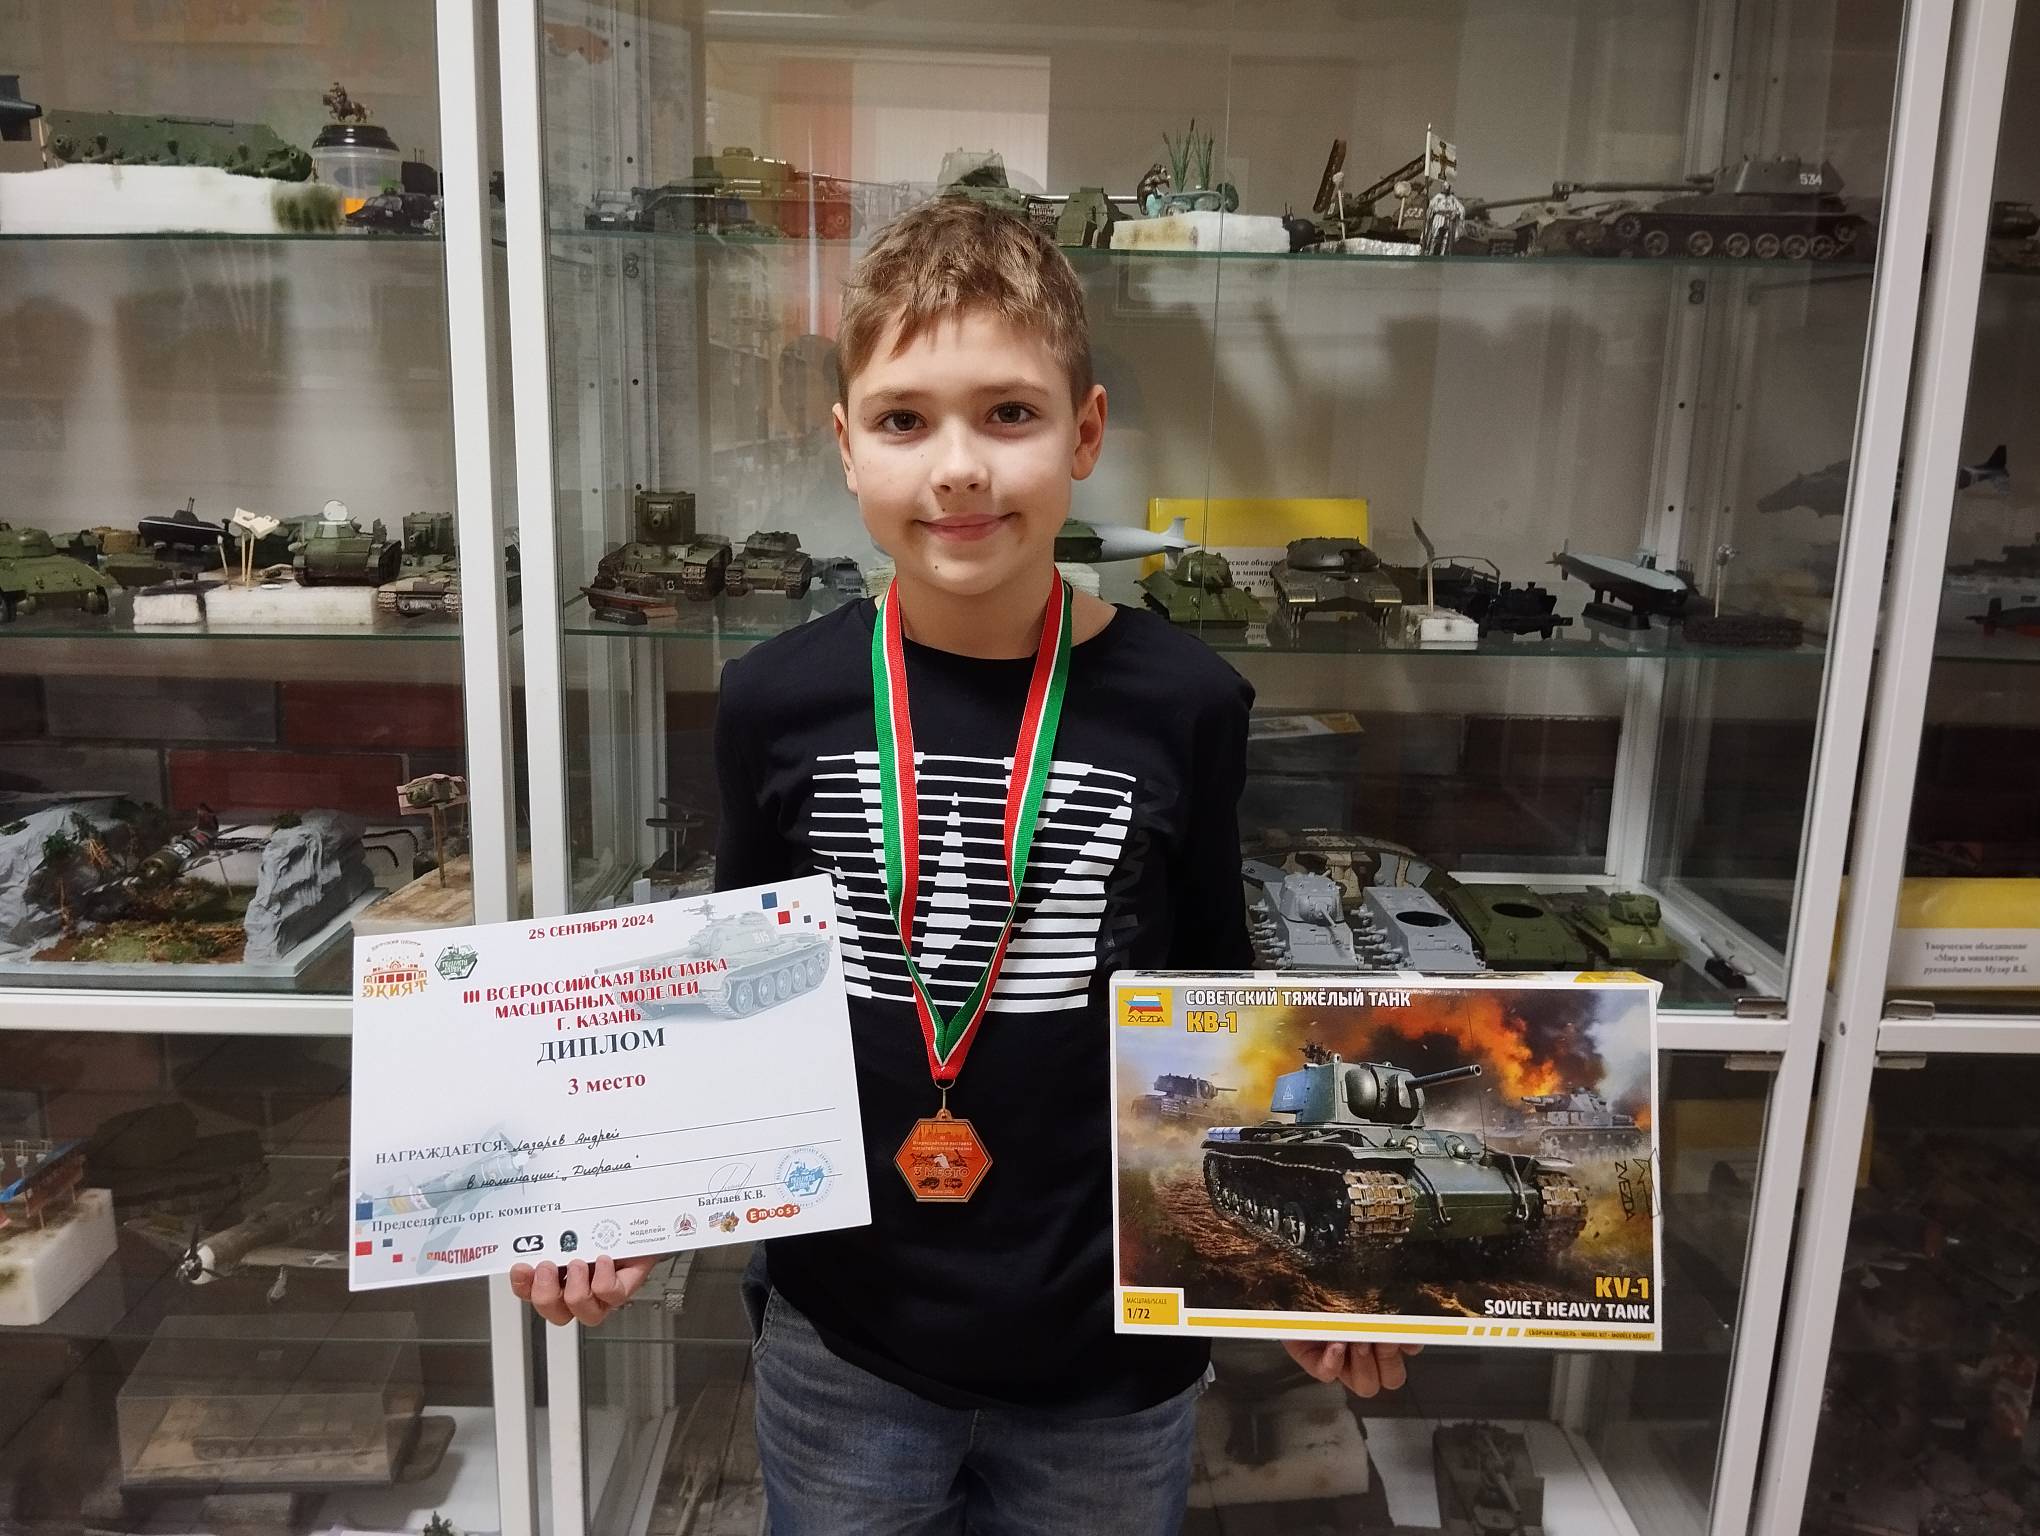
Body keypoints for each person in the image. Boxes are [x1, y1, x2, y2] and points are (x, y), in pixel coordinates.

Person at [512, 196, 1417, 1533]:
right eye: (904, 420)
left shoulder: (1185, 703)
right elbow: (729, 999)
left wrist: (1305, 1269)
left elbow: (1221, 1000)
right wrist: (626, 1199)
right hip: (846, 1343)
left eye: (1008, 414)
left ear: (1085, 433)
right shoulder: (775, 699)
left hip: (1111, 1357)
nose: (958, 468)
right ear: (844, 444)